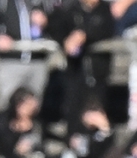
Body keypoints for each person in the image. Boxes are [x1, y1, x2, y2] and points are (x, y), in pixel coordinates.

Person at [46, 0, 117, 130]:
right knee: (74, 111)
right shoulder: (70, 10)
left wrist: (84, 34)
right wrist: (66, 40)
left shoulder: (104, 10)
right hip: (75, 71)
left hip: (98, 72)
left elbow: (106, 29)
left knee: (95, 113)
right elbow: (56, 27)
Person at [0, 0, 52, 108]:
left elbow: (60, 18)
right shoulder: (1, 2)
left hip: (37, 60)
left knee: (34, 105)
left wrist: (46, 21)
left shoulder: (42, 2)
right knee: (8, 104)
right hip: (11, 60)